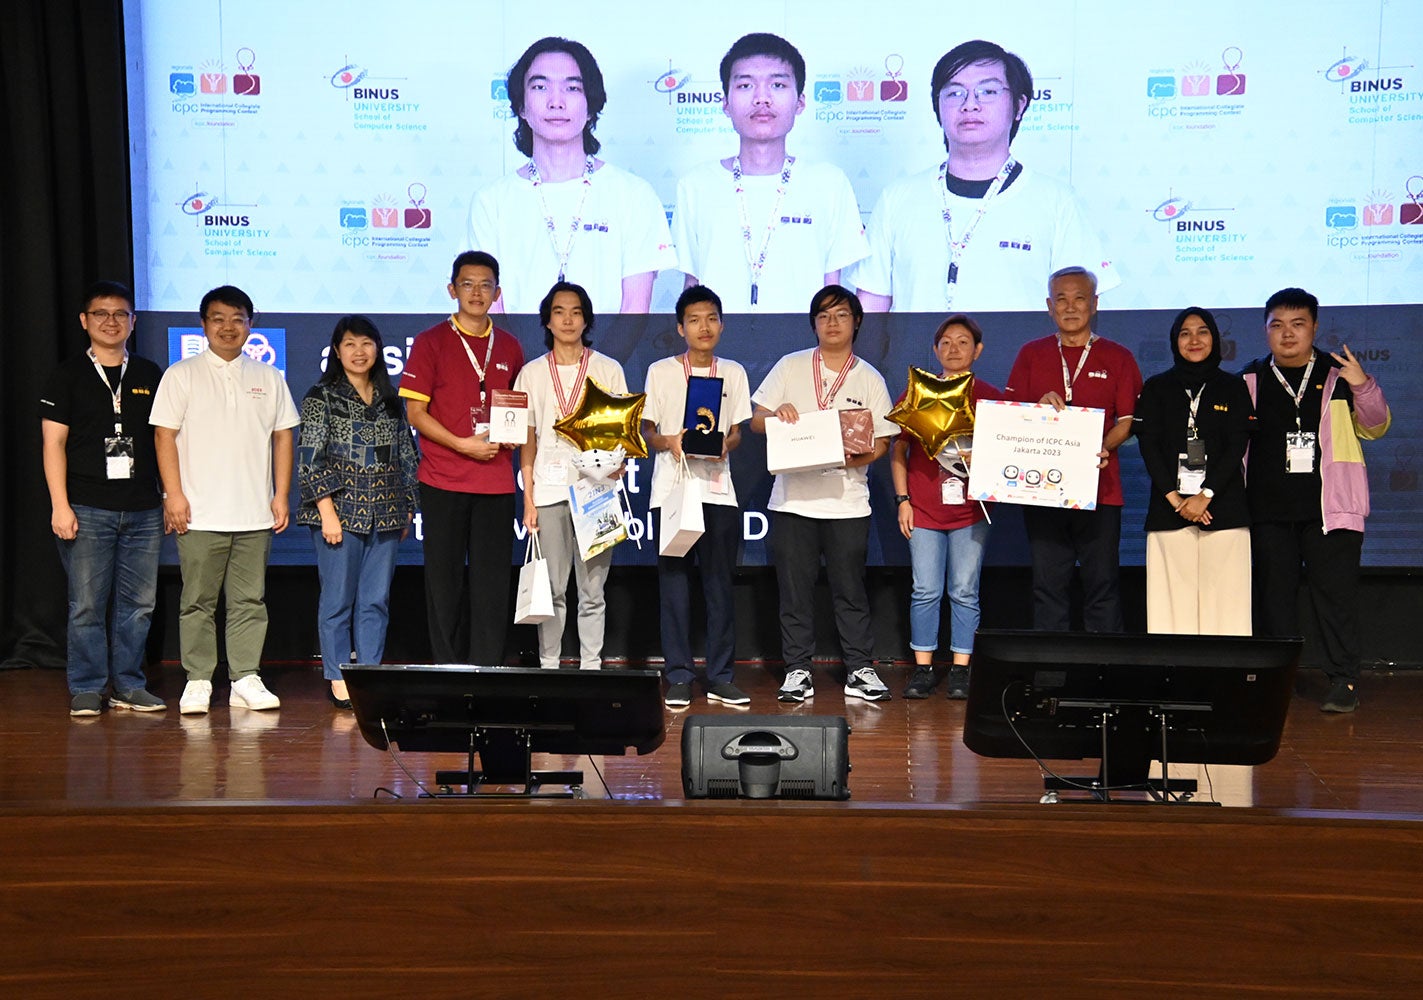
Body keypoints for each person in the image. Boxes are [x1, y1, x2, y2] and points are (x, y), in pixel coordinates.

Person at [854, 39, 1118, 313]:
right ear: (938, 107)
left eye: (987, 91)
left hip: (1019, 358)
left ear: (1019, 106)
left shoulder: (1056, 201)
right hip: (917, 357)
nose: (970, 105)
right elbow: (872, 310)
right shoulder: (898, 198)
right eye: (955, 93)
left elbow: (1080, 312)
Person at [150, 285, 300, 715]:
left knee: (249, 599)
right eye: (218, 318)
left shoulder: (269, 377)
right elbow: (164, 435)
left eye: (238, 318)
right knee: (197, 599)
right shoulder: (181, 374)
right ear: (204, 325)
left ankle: (245, 677)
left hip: (254, 511)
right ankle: (198, 679)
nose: (228, 327)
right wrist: (173, 495)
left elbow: (283, 436)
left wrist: (281, 494)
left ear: (251, 324)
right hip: (198, 512)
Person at [1242, 288, 1391, 713]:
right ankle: (1277, 682)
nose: (1287, 334)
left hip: (1331, 509)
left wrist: (1363, 385)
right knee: (1274, 601)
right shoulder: (1249, 378)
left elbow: (1376, 426)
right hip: (1268, 509)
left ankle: (1344, 680)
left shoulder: (1339, 374)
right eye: (1277, 325)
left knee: (1336, 598)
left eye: (1298, 324)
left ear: (1315, 328)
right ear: (1266, 330)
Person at [751, 285, 898, 702]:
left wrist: (850, 459)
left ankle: (859, 669)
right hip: (793, 500)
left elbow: (883, 441)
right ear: (813, 323)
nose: (832, 323)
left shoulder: (869, 377)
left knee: (850, 589)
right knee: (794, 591)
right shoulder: (790, 366)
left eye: (841, 315)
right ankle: (797, 670)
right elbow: (756, 420)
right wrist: (776, 416)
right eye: (824, 316)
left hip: (847, 502)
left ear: (857, 322)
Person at [468, 37, 676, 315]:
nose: (556, 102)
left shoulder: (633, 194)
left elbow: (634, 313)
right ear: (521, 107)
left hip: (612, 359)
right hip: (516, 360)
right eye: (540, 87)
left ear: (591, 107)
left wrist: (601, 362)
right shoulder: (491, 201)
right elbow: (489, 310)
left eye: (572, 88)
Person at [40, 280, 166, 716]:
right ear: (84, 320)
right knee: (87, 605)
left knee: (138, 606)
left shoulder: (151, 374)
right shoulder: (67, 374)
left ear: (133, 321)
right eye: (101, 314)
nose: (111, 322)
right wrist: (60, 504)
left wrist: (168, 496)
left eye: (120, 314)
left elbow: (166, 442)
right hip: (86, 506)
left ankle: (129, 685)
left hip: (144, 508)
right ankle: (88, 686)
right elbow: (53, 444)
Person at [671, 32, 867, 312]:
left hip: (805, 350)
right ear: (725, 103)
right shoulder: (695, 185)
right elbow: (692, 284)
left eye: (777, 84)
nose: (761, 98)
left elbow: (831, 288)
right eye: (745, 85)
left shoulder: (829, 183)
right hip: (717, 350)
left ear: (800, 102)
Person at [398, 251, 525, 666]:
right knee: (444, 583)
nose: (476, 292)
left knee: (491, 585)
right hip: (443, 479)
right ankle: (448, 670)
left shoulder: (509, 345)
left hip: (496, 483)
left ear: (498, 292)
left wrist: (509, 435)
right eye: (467, 284)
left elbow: (518, 410)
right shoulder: (431, 341)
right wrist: (461, 443)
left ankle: (488, 669)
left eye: (485, 284)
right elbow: (415, 413)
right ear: (452, 289)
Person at [1004, 266, 1142, 632]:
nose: (1070, 307)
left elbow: (1126, 422)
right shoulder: (1031, 354)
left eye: (1079, 298)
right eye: (1061, 299)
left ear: (1094, 304)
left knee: (1103, 585)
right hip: (1043, 490)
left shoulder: (1119, 357)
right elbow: (1011, 418)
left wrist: (1099, 445)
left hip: (1101, 488)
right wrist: (1036, 410)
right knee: (1048, 586)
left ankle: (1104, 669)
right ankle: (1051, 670)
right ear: (1049, 306)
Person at [298, 316, 419, 709]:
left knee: (375, 600)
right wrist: (327, 512)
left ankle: (369, 673)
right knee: (337, 600)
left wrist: (406, 509)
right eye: (350, 344)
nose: (359, 352)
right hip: (338, 514)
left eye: (366, 344)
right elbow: (310, 459)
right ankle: (337, 676)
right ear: (336, 351)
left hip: (385, 513)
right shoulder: (322, 397)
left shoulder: (390, 398)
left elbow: (406, 456)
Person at [642, 285, 752, 707]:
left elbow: (739, 430)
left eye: (710, 319)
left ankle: (721, 675)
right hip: (672, 490)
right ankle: (680, 675)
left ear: (721, 325)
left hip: (718, 491)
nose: (703, 327)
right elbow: (648, 430)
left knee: (720, 584)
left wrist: (728, 443)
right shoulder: (660, 371)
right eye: (694, 320)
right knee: (673, 584)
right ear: (680, 328)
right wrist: (669, 440)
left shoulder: (735, 372)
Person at [516, 282, 628, 669]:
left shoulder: (607, 369)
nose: (568, 319)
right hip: (548, 491)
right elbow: (526, 440)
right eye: (559, 311)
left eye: (576, 311)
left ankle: (592, 666)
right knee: (552, 588)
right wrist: (528, 498)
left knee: (593, 590)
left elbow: (620, 433)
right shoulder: (531, 373)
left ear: (586, 319)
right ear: (547, 319)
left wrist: (618, 462)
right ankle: (549, 665)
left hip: (596, 492)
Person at [890, 314, 1001, 700]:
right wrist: (903, 500)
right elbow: (899, 448)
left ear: (978, 350)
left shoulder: (989, 396)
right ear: (936, 350)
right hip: (924, 509)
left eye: (963, 342)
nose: (954, 349)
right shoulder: (918, 393)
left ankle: (960, 670)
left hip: (971, 511)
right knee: (925, 590)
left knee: (965, 590)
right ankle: (923, 670)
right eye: (946, 343)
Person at [1134, 307, 1253, 635]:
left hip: (1223, 510)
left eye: (1202, 331)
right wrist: (1177, 500)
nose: (1194, 340)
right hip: (1168, 510)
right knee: (1170, 608)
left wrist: (1205, 495)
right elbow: (1150, 448)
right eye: (1185, 333)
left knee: (1227, 606)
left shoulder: (1233, 386)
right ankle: (1175, 680)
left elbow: (1236, 446)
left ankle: (1225, 683)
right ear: (1175, 341)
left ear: (1215, 339)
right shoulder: (1157, 387)